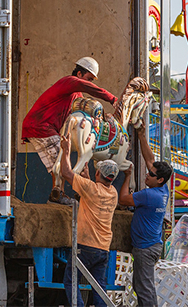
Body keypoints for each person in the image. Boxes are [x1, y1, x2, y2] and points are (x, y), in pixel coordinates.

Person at [21, 57, 118, 204]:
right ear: (79, 74)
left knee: (61, 162)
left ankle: (60, 193)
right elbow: (88, 88)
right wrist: (112, 99)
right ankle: (58, 195)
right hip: (40, 126)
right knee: (60, 163)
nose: (89, 83)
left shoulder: (76, 95)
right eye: (88, 79)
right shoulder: (69, 81)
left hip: (45, 127)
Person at [60, 132, 123, 307]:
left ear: (98, 174)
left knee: (71, 282)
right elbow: (92, 193)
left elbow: (66, 172)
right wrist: (87, 177)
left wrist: (66, 151)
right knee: (99, 287)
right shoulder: (112, 193)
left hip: (85, 246)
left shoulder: (92, 188)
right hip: (103, 248)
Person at [118, 126, 173, 307]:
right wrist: (142, 136)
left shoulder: (150, 195)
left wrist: (127, 176)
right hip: (151, 246)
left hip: (145, 248)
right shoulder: (163, 188)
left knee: (144, 289)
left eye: (151, 175)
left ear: (159, 180)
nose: (147, 175)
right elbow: (150, 160)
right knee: (141, 285)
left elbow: (124, 199)